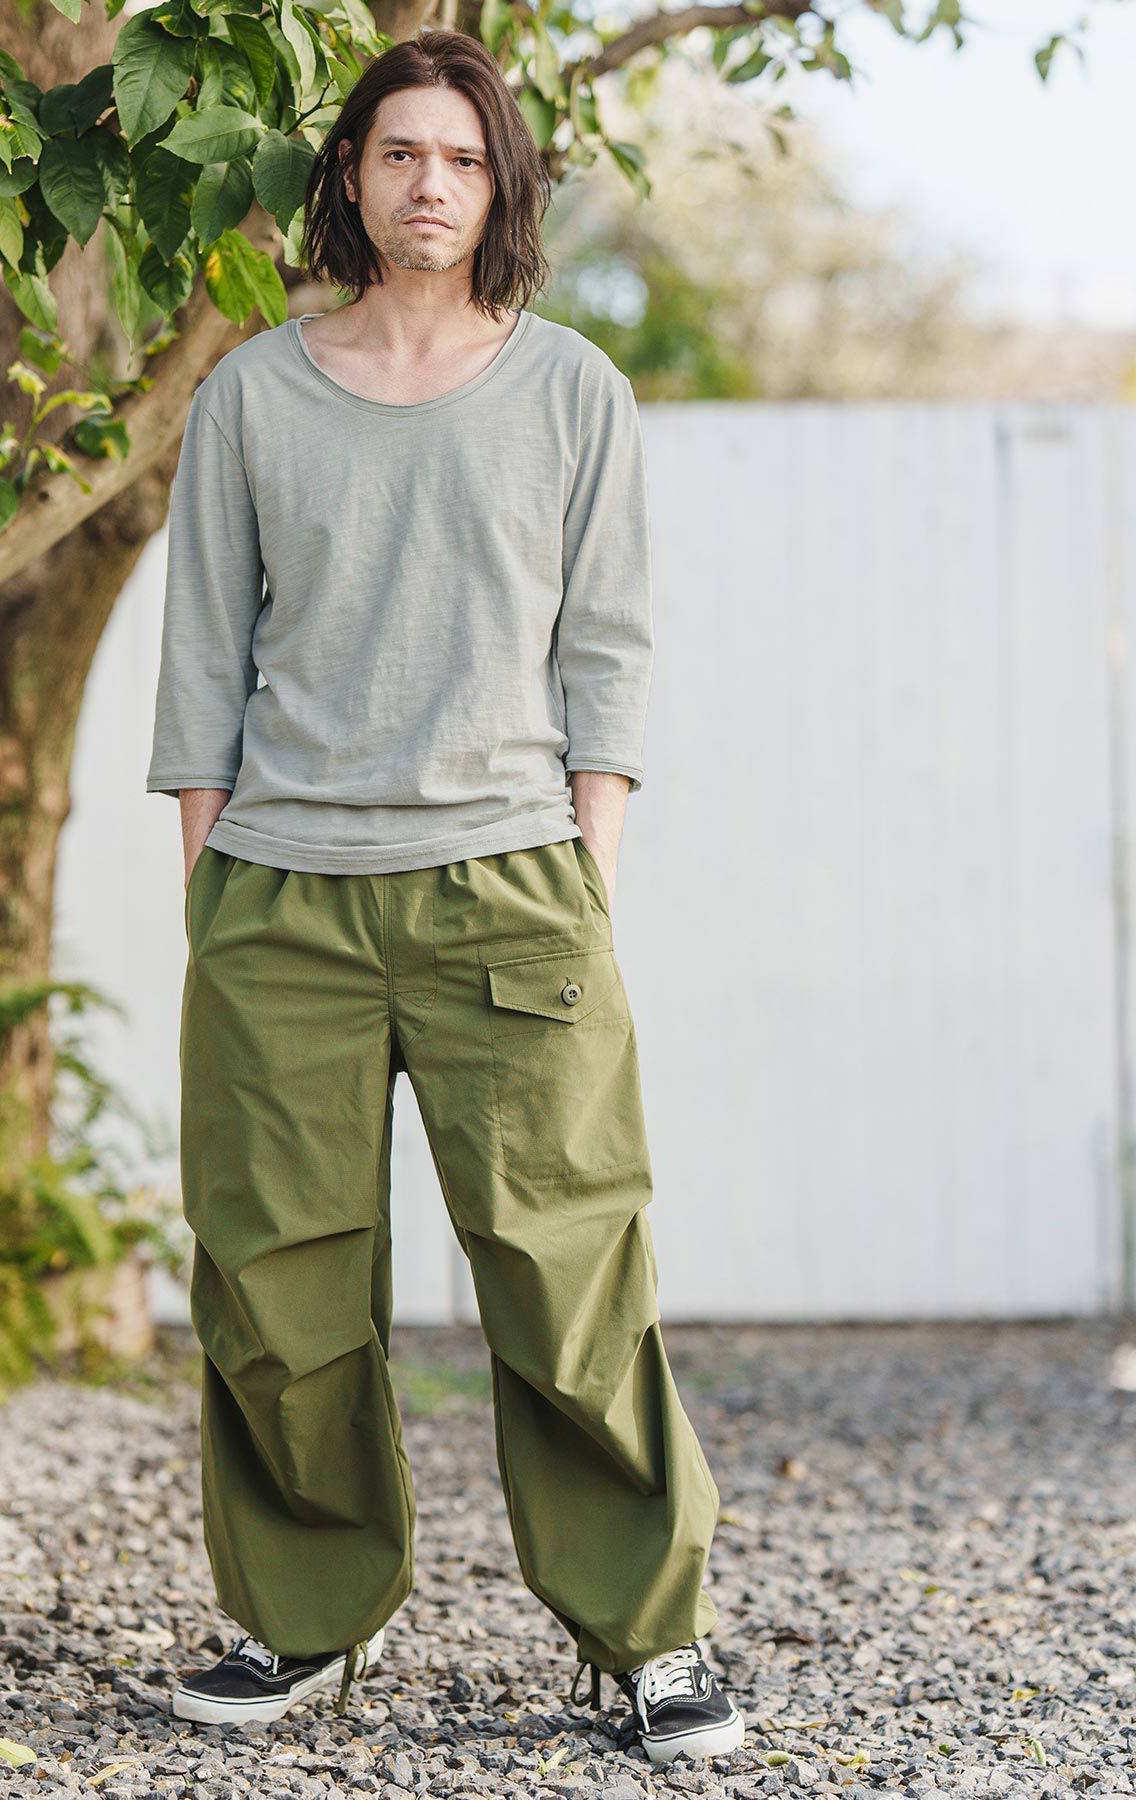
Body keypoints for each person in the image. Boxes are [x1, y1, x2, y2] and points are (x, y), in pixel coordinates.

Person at [146, 25, 744, 1768]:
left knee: (571, 1277)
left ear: (503, 188)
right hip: (284, 905)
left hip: (511, 895)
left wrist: (587, 871)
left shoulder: (572, 391)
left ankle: (650, 1637)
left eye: (464, 159)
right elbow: (203, 667)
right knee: (275, 1287)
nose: (431, 183)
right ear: (349, 175)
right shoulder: (252, 397)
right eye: (400, 151)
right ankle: (299, 1617)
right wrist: (213, 894)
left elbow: (607, 652)